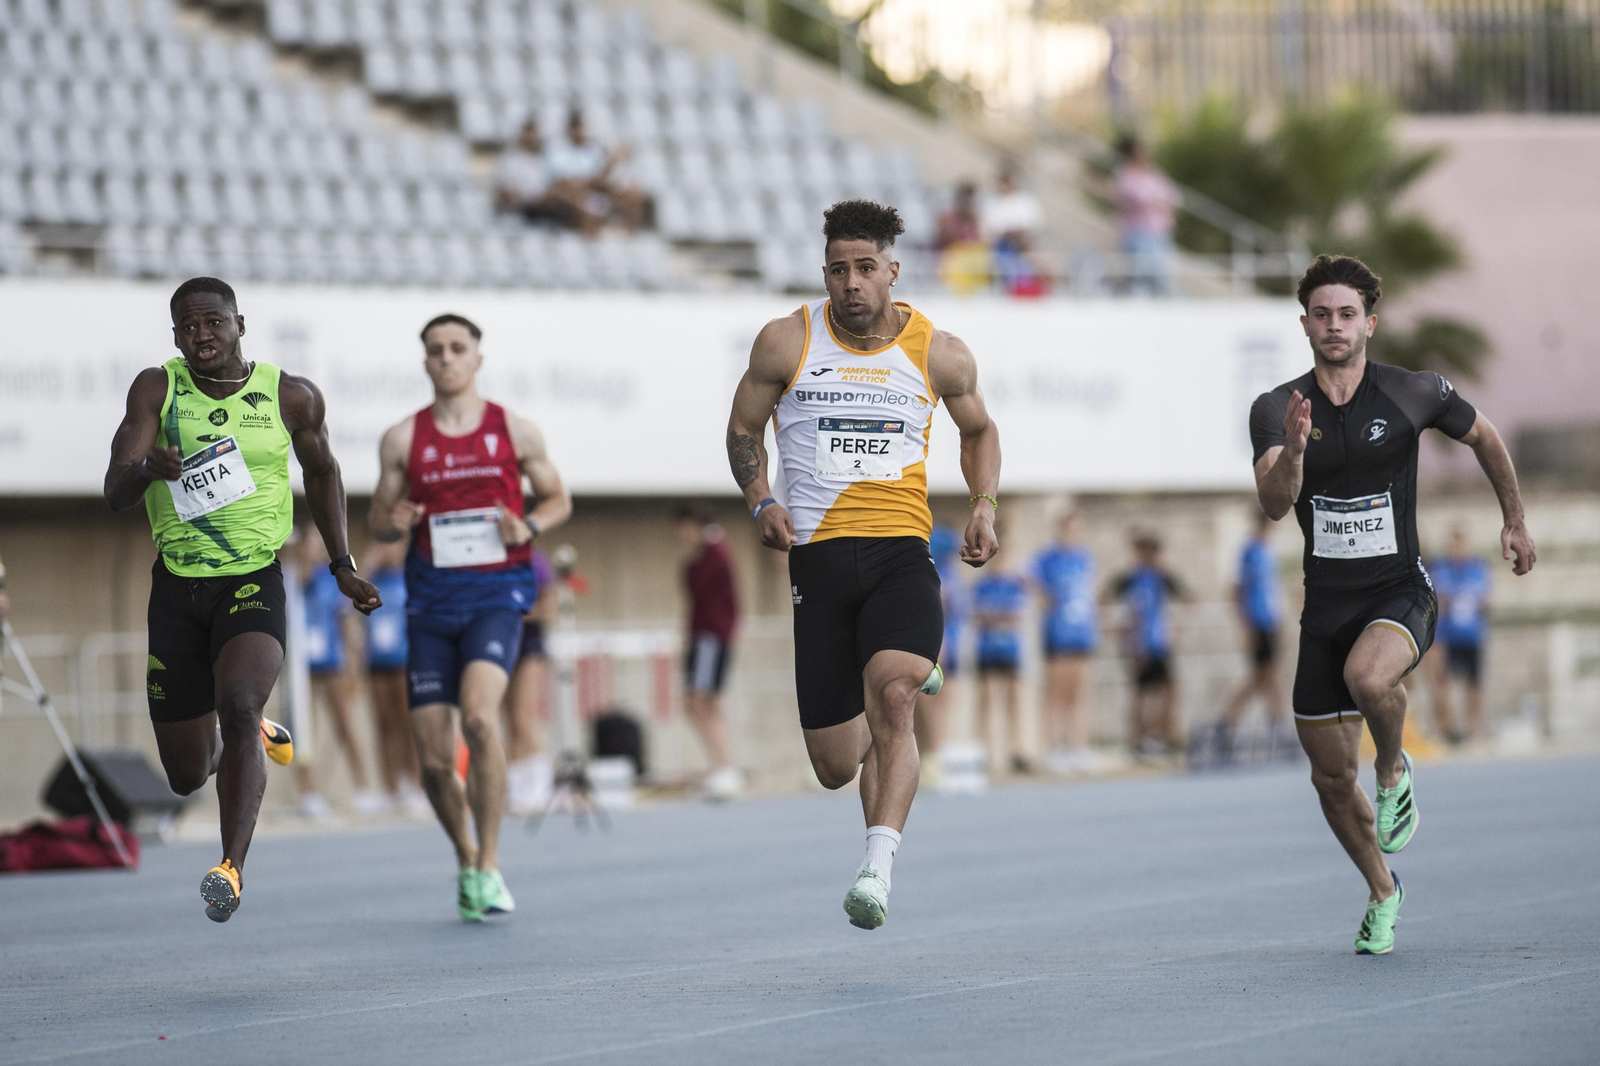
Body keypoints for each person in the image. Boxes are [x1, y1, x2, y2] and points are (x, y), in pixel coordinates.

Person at [725, 199, 1001, 930]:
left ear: (892, 271)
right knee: (836, 765)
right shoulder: (788, 341)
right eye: (839, 270)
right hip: (816, 564)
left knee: (894, 698)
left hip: (900, 554)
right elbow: (743, 429)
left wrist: (983, 504)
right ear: (825, 272)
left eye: (866, 269)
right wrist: (759, 499)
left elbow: (979, 430)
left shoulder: (939, 352)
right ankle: (910, 665)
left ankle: (876, 868)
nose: (851, 283)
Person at [1250, 253, 1535, 954]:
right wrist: (1292, 452)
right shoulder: (1276, 408)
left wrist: (1515, 520)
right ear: (1305, 324)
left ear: (1369, 323)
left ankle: (1393, 767)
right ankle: (1383, 888)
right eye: (1322, 315)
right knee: (1326, 777)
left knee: (1370, 677)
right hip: (1326, 605)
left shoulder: (1412, 392)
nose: (1335, 326)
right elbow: (1274, 504)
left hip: (1399, 591)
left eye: (1347, 314)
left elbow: (1486, 437)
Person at [103, 277, 380, 923]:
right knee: (185, 774)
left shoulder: (290, 395)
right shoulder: (156, 388)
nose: (201, 335)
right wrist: (147, 470)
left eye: (212, 322)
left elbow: (323, 472)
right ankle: (247, 732)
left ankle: (229, 867)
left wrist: (341, 565)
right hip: (176, 585)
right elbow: (113, 488)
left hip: (253, 576)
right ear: (175, 335)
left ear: (240, 324)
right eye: (187, 326)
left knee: (241, 695)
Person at [369, 312, 572, 922]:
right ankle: (464, 854)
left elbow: (559, 497)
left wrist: (529, 524)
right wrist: (392, 522)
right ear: (426, 361)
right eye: (436, 350)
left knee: (481, 723)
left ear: (478, 358)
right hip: (430, 605)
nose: (448, 358)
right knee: (432, 762)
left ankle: (489, 860)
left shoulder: (515, 430)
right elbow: (379, 518)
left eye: (458, 348)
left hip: (497, 596)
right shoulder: (403, 439)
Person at [298, 529, 385, 817]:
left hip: (332, 662)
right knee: (304, 731)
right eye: (308, 545)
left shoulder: (331, 580)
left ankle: (362, 788)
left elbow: (345, 623)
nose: (313, 550)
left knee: (345, 725)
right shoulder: (294, 579)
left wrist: (353, 665)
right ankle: (308, 793)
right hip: (302, 667)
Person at [675, 506, 743, 800]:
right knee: (701, 702)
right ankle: (721, 766)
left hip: (710, 637)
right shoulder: (708, 553)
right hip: (704, 636)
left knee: (701, 701)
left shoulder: (714, 554)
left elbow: (718, 598)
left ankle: (724, 767)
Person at [362, 537, 429, 816]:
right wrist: (369, 562)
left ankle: (414, 784)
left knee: (408, 723)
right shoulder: (373, 580)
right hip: (378, 660)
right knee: (384, 725)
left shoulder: (409, 577)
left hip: (405, 660)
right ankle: (390, 788)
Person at [1216, 510, 1290, 759]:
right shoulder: (1249, 552)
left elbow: (1273, 593)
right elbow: (1237, 590)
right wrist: (1245, 625)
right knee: (1266, 677)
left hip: (1269, 622)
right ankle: (1266, 725)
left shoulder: (1268, 553)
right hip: (1257, 622)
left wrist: (1280, 623)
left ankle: (1232, 721)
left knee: (1265, 678)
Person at [1031, 511, 1101, 774]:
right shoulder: (1048, 558)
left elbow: (1091, 590)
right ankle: (1054, 747)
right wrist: (1048, 600)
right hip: (1058, 633)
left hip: (1081, 633)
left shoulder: (1084, 558)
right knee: (1056, 693)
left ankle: (1078, 746)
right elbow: (1033, 584)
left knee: (1079, 692)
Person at [1106, 533, 1187, 757]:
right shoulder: (1130, 579)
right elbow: (1105, 600)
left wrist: (1176, 628)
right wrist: (1119, 633)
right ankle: (1138, 739)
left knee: (1168, 690)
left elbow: (1188, 597)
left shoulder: (1161, 577)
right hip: (1138, 645)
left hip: (1159, 643)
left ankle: (1160, 735)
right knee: (1140, 694)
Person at [1427, 526, 1492, 745]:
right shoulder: (1440, 570)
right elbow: (1438, 602)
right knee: (1443, 683)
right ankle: (1446, 728)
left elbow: (1486, 601)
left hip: (1472, 635)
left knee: (1473, 684)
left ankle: (1475, 729)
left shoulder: (1478, 569)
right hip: (1446, 636)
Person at [504, 546, 557, 815]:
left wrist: (514, 610)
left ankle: (541, 785)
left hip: (528, 641)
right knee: (508, 719)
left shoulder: (535, 560)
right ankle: (517, 784)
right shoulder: (490, 559)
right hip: (501, 640)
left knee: (523, 716)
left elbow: (548, 607)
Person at [971, 539, 1029, 773]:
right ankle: (984, 752)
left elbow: (1016, 615)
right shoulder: (981, 585)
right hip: (987, 650)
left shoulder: (1015, 584)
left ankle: (1014, 751)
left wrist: (994, 616)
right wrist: (998, 616)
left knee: (1013, 702)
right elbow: (978, 615)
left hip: (1010, 651)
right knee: (985, 702)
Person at [544, 109, 648, 235]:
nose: (581, 132)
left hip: (593, 191)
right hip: (570, 196)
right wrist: (590, 181)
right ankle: (592, 240)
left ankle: (629, 236)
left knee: (632, 195)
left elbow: (601, 177)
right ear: (571, 129)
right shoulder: (557, 149)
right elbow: (562, 182)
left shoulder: (593, 148)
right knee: (586, 207)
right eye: (578, 128)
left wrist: (611, 164)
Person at [915, 525, 965, 785]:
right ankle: (929, 756)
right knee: (928, 708)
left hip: (947, 645)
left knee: (937, 708)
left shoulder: (947, 573)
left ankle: (933, 756)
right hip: (941, 645)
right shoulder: (939, 572)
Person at [1113, 134, 1179, 296]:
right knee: (1140, 279)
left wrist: (1160, 203)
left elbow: (1173, 196)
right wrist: (1159, 202)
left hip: (1158, 233)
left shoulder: (1154, 173)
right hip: (1138, 233)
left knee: (1161, 279)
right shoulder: (1125, 175)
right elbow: (1140, 199)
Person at [494, 117, 572, 228]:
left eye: (534, 133)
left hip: (543, 207)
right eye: (528, 132)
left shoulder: (542, 160)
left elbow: (549, 185)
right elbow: (504, 192)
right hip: (523, 208)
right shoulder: (510, 159)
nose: (532, 137)